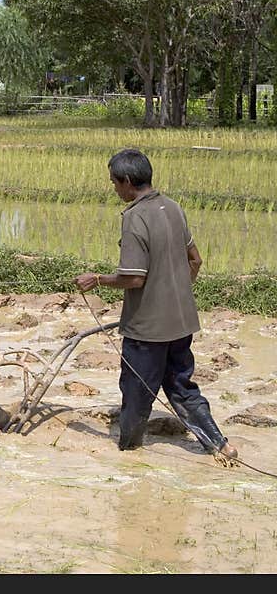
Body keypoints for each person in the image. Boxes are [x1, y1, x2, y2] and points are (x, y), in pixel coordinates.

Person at [74, 148, 237, 459]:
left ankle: (129, 453)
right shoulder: (173, 207)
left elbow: (134, 278)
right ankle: (220, 445)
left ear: (126, 181)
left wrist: (97, 279)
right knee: (181, 388)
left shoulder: (135, 218)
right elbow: (196, 260)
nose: (114, 188)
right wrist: (174, 294)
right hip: (181, 323)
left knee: (136, 395)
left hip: (147, 332)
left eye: (114, 183)